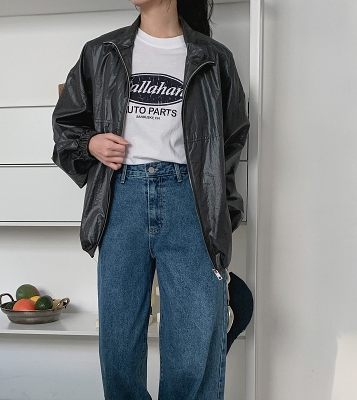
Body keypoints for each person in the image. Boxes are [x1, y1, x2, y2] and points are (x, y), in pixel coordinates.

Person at [52, 0, 249, 398]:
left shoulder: (214, 58)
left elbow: (230, 142)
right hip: (120, 198)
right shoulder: (101, 52)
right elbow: (66, 124)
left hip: (191, 201)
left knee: (193, 345)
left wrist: (222, 215)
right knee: (119, 342)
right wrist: (90, 143)